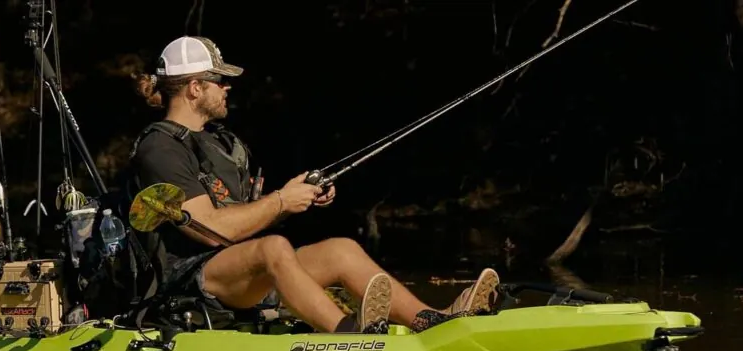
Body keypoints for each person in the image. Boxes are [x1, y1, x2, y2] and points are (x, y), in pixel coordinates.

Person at [126, 36, 499, 334]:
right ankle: (349, 334)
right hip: (189, 282)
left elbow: (247, 218)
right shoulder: (160, 147)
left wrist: (299, 194)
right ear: (194, 88)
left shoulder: (222, 141)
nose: (227, 88)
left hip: (241, 271)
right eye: (219, 81)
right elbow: (208, 229)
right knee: (273, 247)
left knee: (341, 249)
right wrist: (281, 201)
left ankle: (432, 321)